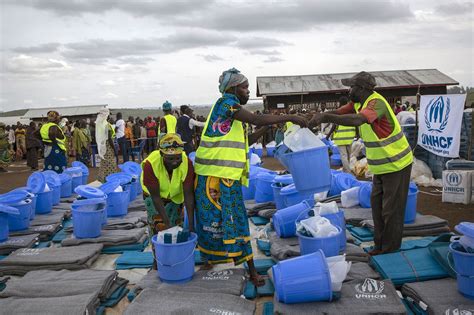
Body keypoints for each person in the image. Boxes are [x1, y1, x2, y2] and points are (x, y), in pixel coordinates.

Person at [194, 68, 307, 286]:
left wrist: (269, 125)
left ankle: (212, 259)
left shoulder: (230, 113)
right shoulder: (226, 103)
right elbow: (256, 119)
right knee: (230, 221)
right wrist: (290, 116)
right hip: (215, 176)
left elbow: (248, 137)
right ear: (232, 88)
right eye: (245, 87)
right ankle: (248, 270)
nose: (247, 92)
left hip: (221, 174)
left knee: (218, 220)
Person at [309, 71, 413, 255]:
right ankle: (380, 245)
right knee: (377, 206)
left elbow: (359, 120)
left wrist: (325, 117)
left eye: (352, 87)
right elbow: (339, 112)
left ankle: (389, 250)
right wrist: (321, 115)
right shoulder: (358, 103)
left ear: (363, 89)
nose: (349, 90)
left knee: (391, 210)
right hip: (381, 166)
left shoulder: (375, 103)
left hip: (397, 164)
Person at [141, 133, 195, 267]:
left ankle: (175, 258)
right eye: (170, 159)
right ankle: (157, 260)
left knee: (177, 227)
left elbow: (188, 195)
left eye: (177, 158)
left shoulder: (186, 162)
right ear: (161, 155)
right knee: (159, 227)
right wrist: (166, 224)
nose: (175, 162)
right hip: (154, 196)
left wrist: (192, 225)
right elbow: (156, 197)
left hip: (175, 196)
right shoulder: (150, 164)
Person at [326, 96, 356, 173]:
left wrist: (328, 135)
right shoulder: (351, 111)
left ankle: (347, 171)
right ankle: (347, 169)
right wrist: (358, 134)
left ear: (340, 103)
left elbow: (334, 125)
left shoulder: (339, 112)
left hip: (340, 138)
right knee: (349, 154)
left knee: (343, 155)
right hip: (350, 136)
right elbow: (356, 123)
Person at [96, 108, 118, 182]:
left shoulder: (100, 124)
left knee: (104, 163)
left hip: (103, 146)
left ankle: (103, 179)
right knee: (110, 163)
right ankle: (110, 180)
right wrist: (114, 148)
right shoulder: (106, 125)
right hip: (108, 147)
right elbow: (109, 138)